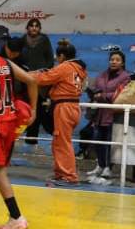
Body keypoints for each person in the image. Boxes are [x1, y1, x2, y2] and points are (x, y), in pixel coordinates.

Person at [0, 26, 37, 229]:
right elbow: (32, 80)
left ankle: (16, 216)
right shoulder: (5, 63)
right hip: (11, 122)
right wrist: (34, 110)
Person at [32, 42, 87, 186]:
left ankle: (69, 177)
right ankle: (60, 174)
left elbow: (43, 79)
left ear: (62, 56)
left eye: (57, 56)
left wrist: (32, 74)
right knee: (58, 142)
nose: (56, 58)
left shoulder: (65, 67)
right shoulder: (79, 68)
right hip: (72, 106)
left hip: (64, 107)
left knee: (62, 142)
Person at [87, 50, 130, 185]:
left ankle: (108, 168)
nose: (114, 62)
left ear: (122, 62)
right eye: (112, 59)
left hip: (114, 115)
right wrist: (93, 93)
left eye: (117, 60)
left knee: (111, 143)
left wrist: (103, 96)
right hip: (99, 114)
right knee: (98, 140)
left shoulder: (126, 76)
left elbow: (122, 93)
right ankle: (100, 165)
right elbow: (95, 87)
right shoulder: (102, 75)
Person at [19, 18, 54, 147]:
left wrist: (41, 73)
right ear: (27, 28)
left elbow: (50, 60)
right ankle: (24, 135)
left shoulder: (44, 40)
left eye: (36, 26)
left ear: (39, 29)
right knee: (24, 107)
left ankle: (33, 137)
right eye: (31, 26)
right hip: (24, 79)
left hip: (40, 81)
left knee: (38, 108)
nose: (34, 28)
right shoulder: (22, 40)